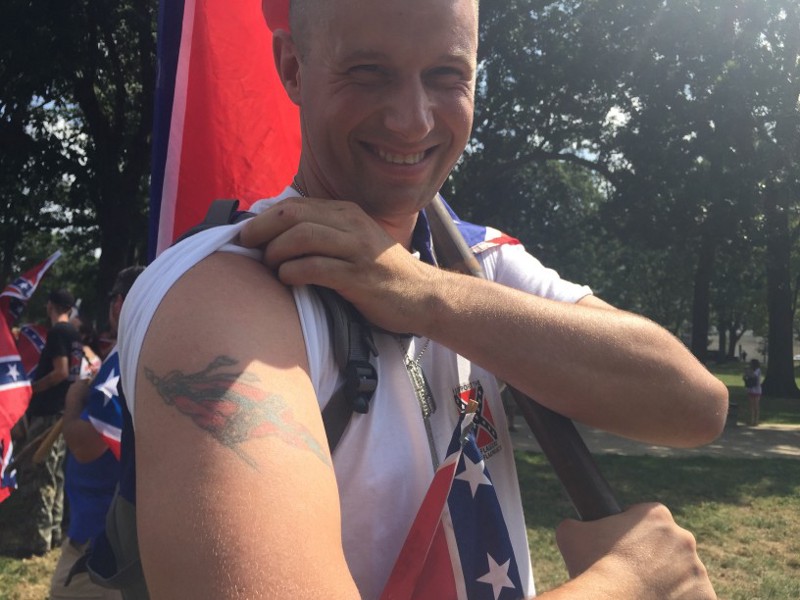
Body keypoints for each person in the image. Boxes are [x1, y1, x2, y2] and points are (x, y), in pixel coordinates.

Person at [118, 0, 729, 597]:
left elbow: (694, 405)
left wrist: (425, 295)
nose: (413, 120)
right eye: (368, 72)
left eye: (446, 75)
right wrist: (628, 584)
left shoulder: (480, 264)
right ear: (293, 67)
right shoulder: (222, 292)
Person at [50, 267, 144, 600]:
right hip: (114, 531)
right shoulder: (147, 350)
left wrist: (73, 401)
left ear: (119, 303)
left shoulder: (126, 357)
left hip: (99, 538)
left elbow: (87, 445)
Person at [17, 288, 82, 556]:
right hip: (63, 411)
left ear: (51, 306)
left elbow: (60, 372)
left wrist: (32, 389)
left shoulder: (57, 333)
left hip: (48, 412)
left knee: (41, 473)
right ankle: (54, 532)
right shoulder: (75, 335)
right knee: (56, 474)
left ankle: (39, 539)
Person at [743, 359, 762, 426]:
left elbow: (753, 376)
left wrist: (748, 371)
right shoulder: (751, 370)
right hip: (750, 389)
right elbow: (745, 377)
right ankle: (751, 420)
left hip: (756, 389)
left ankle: (756, 420)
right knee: (751, 406)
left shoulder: (758, 370)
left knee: (756, 405)